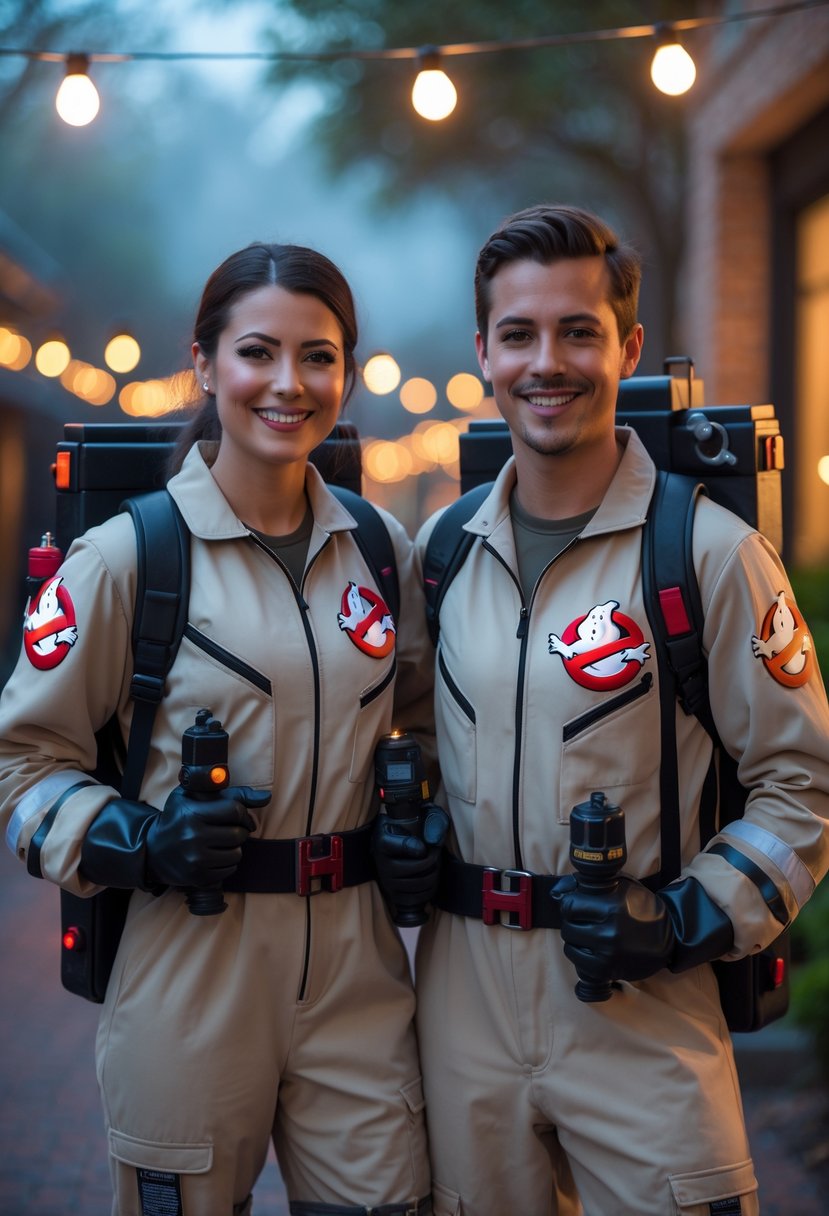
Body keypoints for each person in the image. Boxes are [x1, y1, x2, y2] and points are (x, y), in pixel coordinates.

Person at [408, 204, 829, 1215]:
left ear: (626, 347)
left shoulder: (710, 553)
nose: (545, 361)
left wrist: (688, 915)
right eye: (518, 334)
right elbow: (411, 737)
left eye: (577, 331)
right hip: (462, 1008)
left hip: (645, 1003)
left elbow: (803, 784)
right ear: (483, 354)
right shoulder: (442, 548)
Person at [0, 241, 436, 1216]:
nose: (289, 383)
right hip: (189, 969)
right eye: (257, 352)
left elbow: (424, 724)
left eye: (318, 356)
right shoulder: (125, 560)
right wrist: (135, 838)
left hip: (359, 978)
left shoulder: (378, 548)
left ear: (345, 373)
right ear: (201, 364)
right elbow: (21, 764)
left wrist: (423, 817)